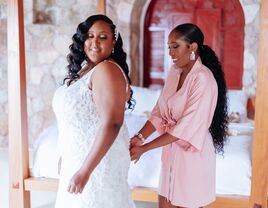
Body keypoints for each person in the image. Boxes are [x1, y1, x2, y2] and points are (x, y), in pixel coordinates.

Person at [130, 23, 228, 208]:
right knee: (164, 203)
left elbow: (185, 128)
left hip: (192, 157)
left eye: (175, 46)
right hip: (171, 152)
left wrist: (144, 149)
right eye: (169, 47)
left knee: (186, 203)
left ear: (192, 47)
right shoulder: (174, 72)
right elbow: (159, 112)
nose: (170, 52)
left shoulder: (203, 79)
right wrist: (139, 137)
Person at [53, 14, 135, 208]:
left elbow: (113, 123)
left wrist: (85, 171)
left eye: (103, 37)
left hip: (96, 166)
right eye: (90, 36)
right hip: (78, 160)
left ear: (113, 42)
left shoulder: (107, 70)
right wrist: (66, 155)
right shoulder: (87, 70)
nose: (95, 42)